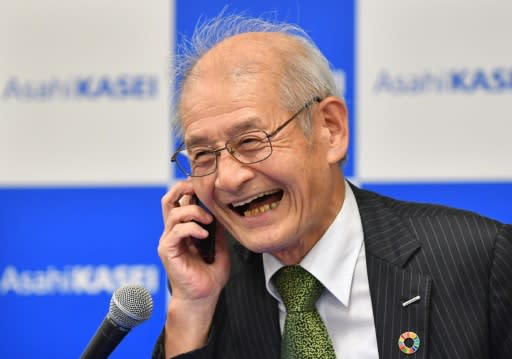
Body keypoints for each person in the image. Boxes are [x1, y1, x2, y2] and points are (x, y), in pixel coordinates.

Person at [152, 13, 512, 359]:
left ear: (330, 129)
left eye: (250, 141)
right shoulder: (211, 291)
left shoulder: (478, 259)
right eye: (202, 154)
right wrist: (191, 309)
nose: (228, 178)